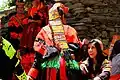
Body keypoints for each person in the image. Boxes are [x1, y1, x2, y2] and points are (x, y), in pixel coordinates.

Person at [27, 1, 81, 80]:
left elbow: (39, 56)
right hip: (63, 71)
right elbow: (76, 51)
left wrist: (32, 74)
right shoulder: (70, 30)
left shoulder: (44, 31)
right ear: (62, 16)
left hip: (56, 71)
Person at [19, 0, 48, 74]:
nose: (32, 2)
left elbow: (42, 21)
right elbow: (25, 20)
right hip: (29, 33)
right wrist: (29, 21)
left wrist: (32, 21)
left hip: (38, 32)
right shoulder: (30, 10)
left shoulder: (44, 9)